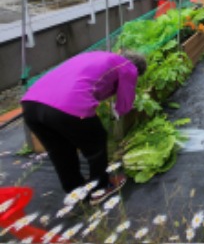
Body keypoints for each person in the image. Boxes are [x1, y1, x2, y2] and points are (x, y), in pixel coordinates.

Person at [21, 51, 147, 204]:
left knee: (60, 150)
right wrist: (120, 110)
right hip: (67, 104)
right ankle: (100, 188)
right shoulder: (128, 67)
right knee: (97, 141)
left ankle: (75, 190)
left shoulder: (97, 56)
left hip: (31, 104)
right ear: (137, 69)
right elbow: (125, 101)